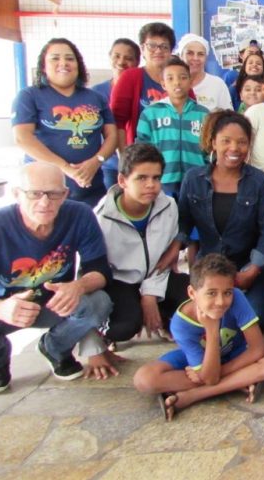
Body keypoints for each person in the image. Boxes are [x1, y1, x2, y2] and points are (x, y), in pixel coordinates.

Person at [0, 163, 113, 392]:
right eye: (34, 193)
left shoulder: (79, 214)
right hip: (4, 306)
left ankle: (55, 348)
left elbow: (100, 270)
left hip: (55, 302)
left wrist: (78, 286)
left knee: (98, 302)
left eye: (54, 194)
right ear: (17, 194)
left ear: (65, 194)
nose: (45, 202)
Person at [132, 254, 264, 421]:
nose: (220, 301)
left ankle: (193, 395)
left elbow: (257, 349)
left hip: (234, 353)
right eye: (211, 293)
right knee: (144, 379)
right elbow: (210, 378)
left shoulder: (237, 297)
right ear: (192, 293)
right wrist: (212, 330)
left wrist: (216, 373)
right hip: (196, 359)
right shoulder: (180, 324)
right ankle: (240, 381)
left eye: (227, 292)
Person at [83, 144, 187, 378]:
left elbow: (164, 260)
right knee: (124, 327)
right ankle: (109, 331)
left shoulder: (168, 206)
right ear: (122, 180)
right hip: (119, 282)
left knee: (195, 297)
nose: (151, 185)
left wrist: (150, 295)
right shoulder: (100, 219)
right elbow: (86, 281)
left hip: (157, 275)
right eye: (141, 178)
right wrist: (93, 350)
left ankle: (161, 316)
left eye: (156, 178)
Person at [177, 111, 264, 324]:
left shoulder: (260, 182)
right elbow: (183, 223)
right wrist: (172, 255)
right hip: (208, 267)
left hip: (246, 266)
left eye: (242, 142)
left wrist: (252, 272)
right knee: (199, 319)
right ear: (213, 142)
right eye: (226, 141)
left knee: (253, 321)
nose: (234, 148)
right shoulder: (193, 179)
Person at [13, 38, 117, 206]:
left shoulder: (96, 97)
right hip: (44, 193)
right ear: (43, 66)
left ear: (78, 65)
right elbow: (23, 138)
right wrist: (66, 168)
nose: (63, 63)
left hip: (91, 189)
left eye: (70, 58)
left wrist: (96, 161)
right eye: (55, 58)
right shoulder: (29, 96)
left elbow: (112, 136)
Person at [136, 57, 209, 197]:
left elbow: (210, 149)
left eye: (183, 77)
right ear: (163, 84)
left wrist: (206, 172)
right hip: (162, 180)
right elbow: (142, 148)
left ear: (190, 81)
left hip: (197, 180)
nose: (177, 82)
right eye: (170, 78)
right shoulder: (150, 113)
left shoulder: (203, 114)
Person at [111, 22, 177, 148]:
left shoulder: (180, 77)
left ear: (171, 51)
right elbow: (117, 121)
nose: (158, 50)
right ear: (142, 49)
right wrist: (124, 155)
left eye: (164, 46)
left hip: (174, 154)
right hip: (140, 154)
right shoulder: (130, 77)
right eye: (152, 45)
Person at [92, 38, 141, 190]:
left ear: (137, 62)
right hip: (109, 163)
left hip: (137, 161)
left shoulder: (141, 90)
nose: (121, 62)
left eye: (128, 58)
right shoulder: (96, 93)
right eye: (117, 56)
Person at [177, 33, 233, 111]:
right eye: (190, 53)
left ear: (206, 58)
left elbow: (229, 116)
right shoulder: (172, 84)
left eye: (201, 54)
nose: (195, 58)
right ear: (181, 56)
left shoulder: (218, 84)